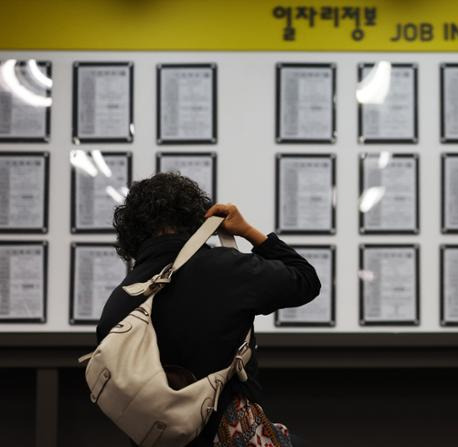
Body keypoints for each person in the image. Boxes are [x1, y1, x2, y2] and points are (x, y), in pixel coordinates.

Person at [97, 172, 320, 446]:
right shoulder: (227, 270)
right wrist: (248, 232)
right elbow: (306, 280)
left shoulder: (118, 303)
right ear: (195, 218)